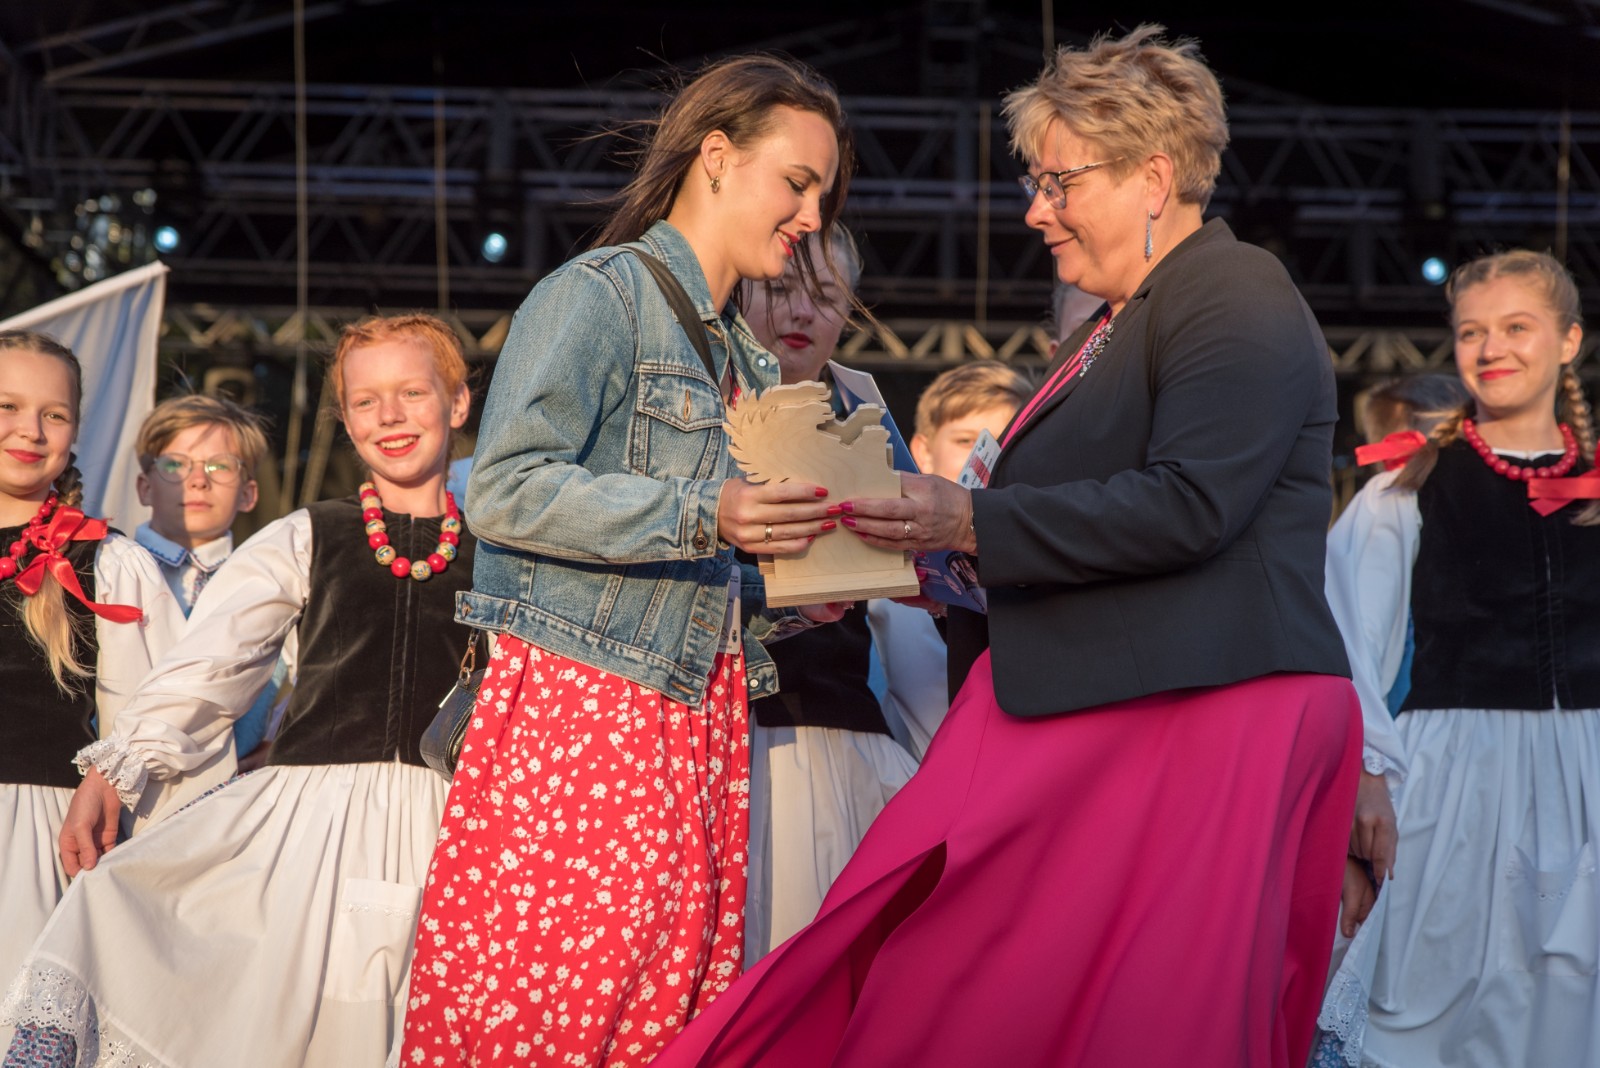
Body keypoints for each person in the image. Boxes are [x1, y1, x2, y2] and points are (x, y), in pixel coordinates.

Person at [650, 25, 1359, 1067]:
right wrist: (924, 554)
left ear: (1153, 176)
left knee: (1098, 1003)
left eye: (1059, 182)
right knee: (932, 958)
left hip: (1203, 709)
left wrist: (968, 522)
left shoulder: (1233, 286)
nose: (1036, 210)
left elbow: (1192, 504)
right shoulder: (1117, 324)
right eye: (1038, 183)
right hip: (1111, 699)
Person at [399, 54, 853, 1068]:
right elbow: (505, 488)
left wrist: (789, 598)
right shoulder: (600, 294)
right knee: (555, 1019)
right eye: (797, 183)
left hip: (693, 716)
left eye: (823, 195)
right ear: (718, 157)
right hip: (589, 713)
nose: (812, 216)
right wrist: (711, 510)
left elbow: (676, 571)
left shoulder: (732, 349)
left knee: (663, 1022)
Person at [1, 313, 478, 1068]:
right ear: (345, 416)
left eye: (412, 393)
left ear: (457, 403)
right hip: (315, 829)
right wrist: (116, 768)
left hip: (454, 832)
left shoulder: (502, 552)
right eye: (366, 400)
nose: (389, 415)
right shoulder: (307, 534)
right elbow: (209, 666)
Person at [1310, 250, 1600, 1068]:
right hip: (1457, 781)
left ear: (1569, 341)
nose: (1491, 348)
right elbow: (1343, 638)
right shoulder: (1408, 484)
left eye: (1517, 327)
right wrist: (1368, 776)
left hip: (1588, 776)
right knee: (1434, 1007)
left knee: (1572, 1004)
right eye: (1472, 332)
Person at [737, 226, 921, 965]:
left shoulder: (865, 418)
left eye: (825, 296)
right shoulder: (692, 419)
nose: (801, 312)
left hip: (834, 739)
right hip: (722, 739)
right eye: (782, 289)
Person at [0, 331, 179, 1053]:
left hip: (32, 845)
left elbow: (153, 717)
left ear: (77, 431)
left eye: (54, 414)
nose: (30, 430)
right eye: (8, 406)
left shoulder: (106, 562)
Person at [127, 393, 280, 818]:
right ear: (144, 486)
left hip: (228, 809)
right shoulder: (104, 572)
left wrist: (285, 741)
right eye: (175, 464)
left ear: (248, 493)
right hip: (113, 802)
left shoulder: (273, 580)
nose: (197, 481)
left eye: (220, 466)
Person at [868, 361, 1030, 760]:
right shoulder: (876, 573)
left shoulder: (1031, 572)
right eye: (964, 440)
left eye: (1003, 443)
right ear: (922, 451)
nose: (982, 457)